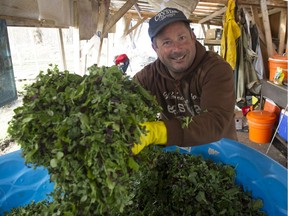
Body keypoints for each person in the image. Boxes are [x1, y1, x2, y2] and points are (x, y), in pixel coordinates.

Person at [132, 7, 237, 154]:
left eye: (182, 38)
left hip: (221, 153)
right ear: (155, 47)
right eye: (167, 42)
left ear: (193, 37)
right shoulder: (149, 77)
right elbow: (125, 99)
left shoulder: (216, 70)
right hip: (176, 155)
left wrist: (157, 132)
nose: (177, 49)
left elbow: (215, 122)